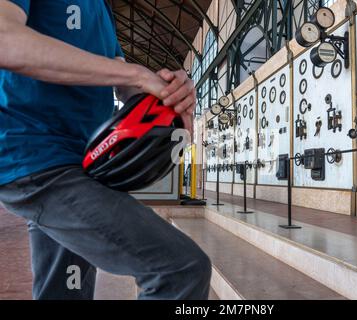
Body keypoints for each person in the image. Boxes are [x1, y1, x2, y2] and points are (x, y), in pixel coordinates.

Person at [0, 0, 212, 300]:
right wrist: (137, 75)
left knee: (65, 293)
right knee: (180, 270)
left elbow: (123, 83)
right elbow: (5, 40)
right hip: (35, 157)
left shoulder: (101, 7)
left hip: (84, 166)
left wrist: (169, 94)